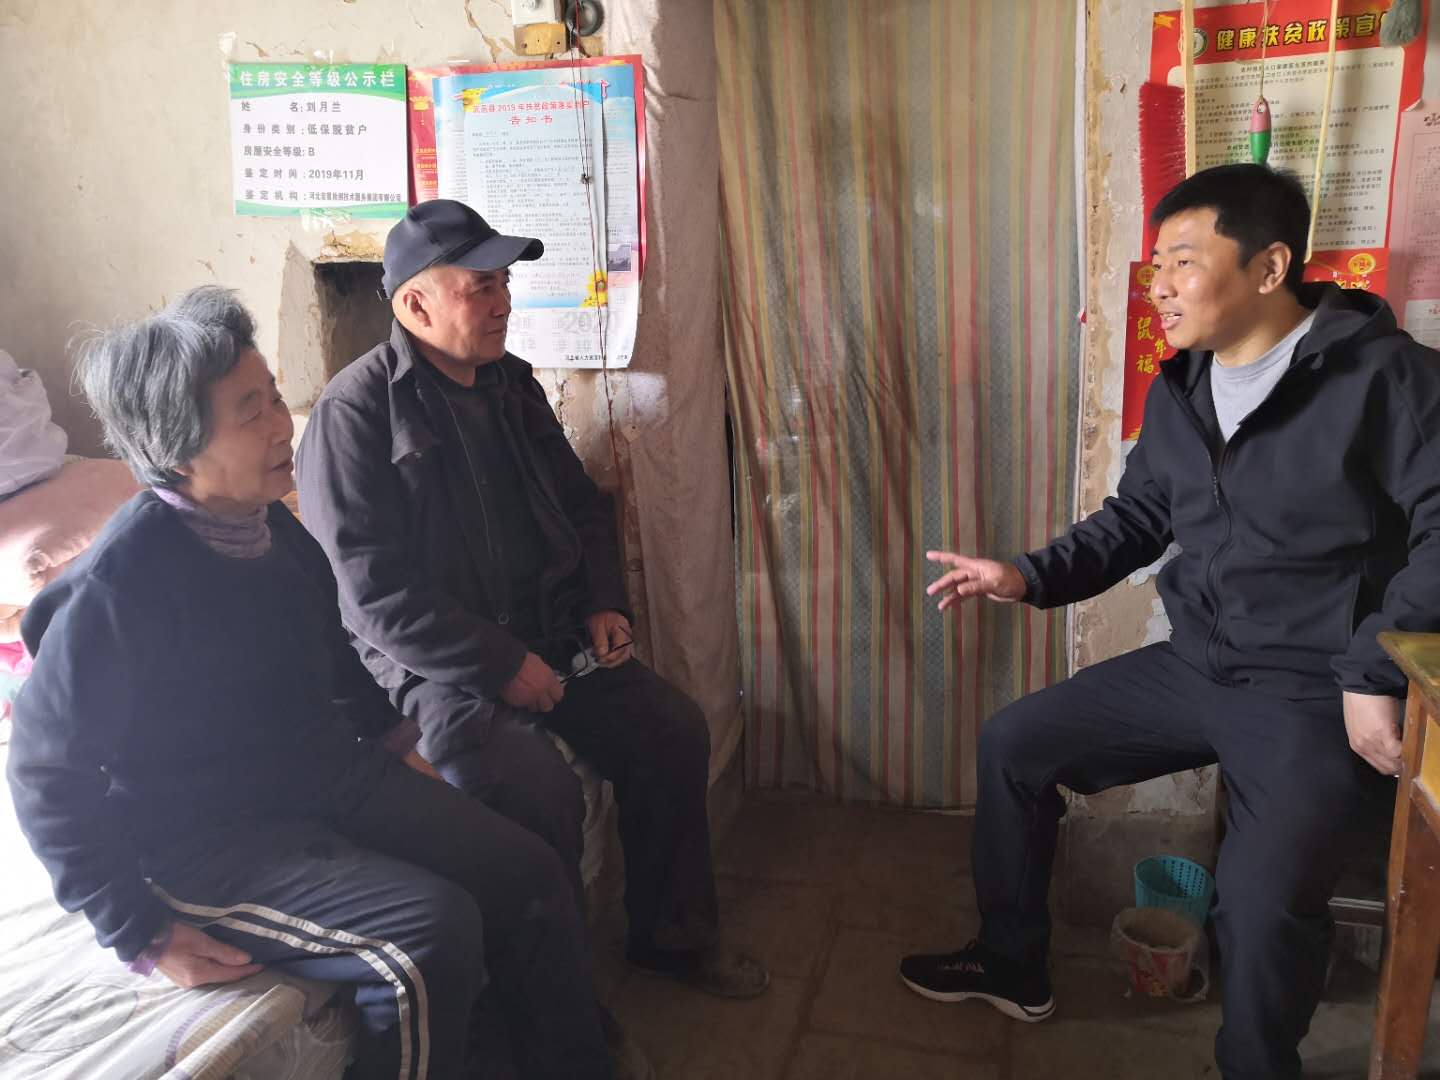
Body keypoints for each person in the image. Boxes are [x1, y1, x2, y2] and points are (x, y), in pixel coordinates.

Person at [899, 164, 1440, 1078]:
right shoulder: (1182, 387)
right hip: (1195, 666)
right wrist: (1025, 575)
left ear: (1269, 267)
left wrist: (1371, 675)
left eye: (1184, 260)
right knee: (1014, 744)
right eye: (1157, 264)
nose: (1159, 286)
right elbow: (1139, 519)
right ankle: (1010, 960)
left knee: (1260, 903)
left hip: (1310, 691)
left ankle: (1256, 1066)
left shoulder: (1386, 377)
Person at [6, 287, 619, 1080]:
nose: (281, 424)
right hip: (205, 838)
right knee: (428, 933)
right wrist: (137, 931)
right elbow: (43, 771)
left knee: (524, 867)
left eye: (273, 397)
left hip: (325, 776)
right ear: (178, 450)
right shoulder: (120, 588)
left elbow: (337, 661)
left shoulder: (275, 531)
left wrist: (403, 749)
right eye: (250, 411)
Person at [295, 200, 767, 999]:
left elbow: (579, 504)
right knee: (532, 787)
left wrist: (604, 603)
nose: (503, 302)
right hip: (437, 670)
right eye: (480, 286)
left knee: (670, 730)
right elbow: (372, 597)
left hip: (548, 634)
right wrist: (499, 665)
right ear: (416, 304)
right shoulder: (354, 414)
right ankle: (563, 1011)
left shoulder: (510, 384)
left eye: (504, 283)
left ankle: (672, 941)